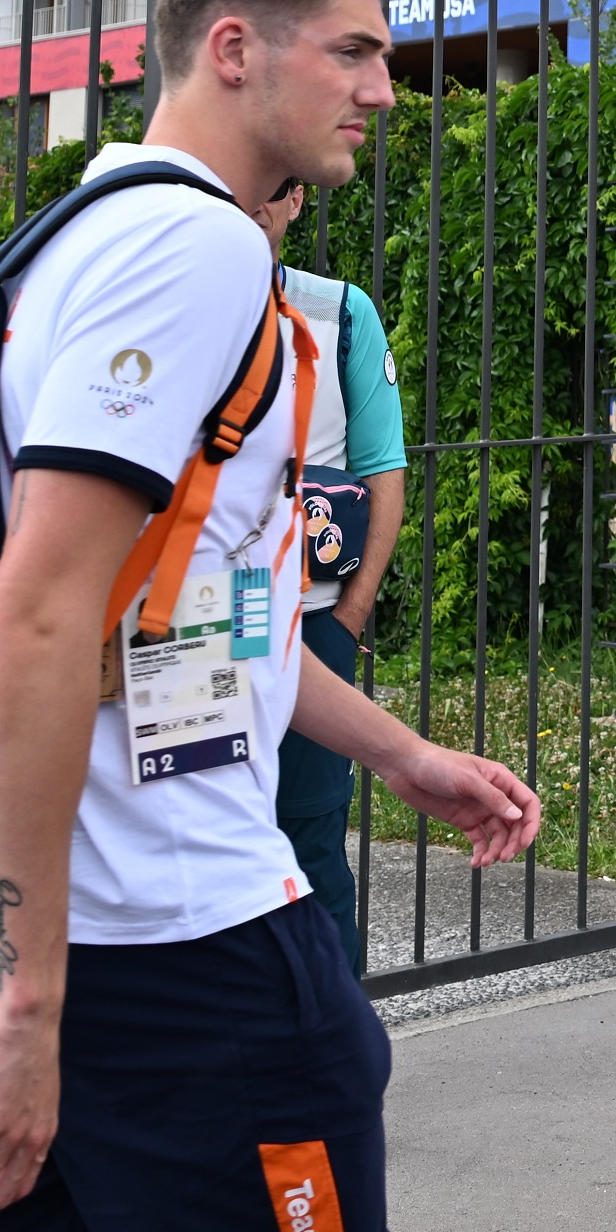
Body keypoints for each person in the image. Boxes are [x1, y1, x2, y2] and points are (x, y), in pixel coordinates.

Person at [0, 0, 547, 1232]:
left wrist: (400, 753)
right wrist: (37, 1011)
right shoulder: (195, 256)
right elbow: (30, 619)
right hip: (172, 955)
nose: (384, 89)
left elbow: (190, 612)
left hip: (0, 923)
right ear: (231, 48)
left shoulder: (80, 222)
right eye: (354, 51)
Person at [257, 184, 409, 980]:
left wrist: (348, 615)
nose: (259, 203)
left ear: (297, 201)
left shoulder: (336, 310)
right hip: (188, 629)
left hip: (310, 619)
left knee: (310, 833)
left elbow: (383, 467)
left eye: (276, 189)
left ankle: (328, 1040)